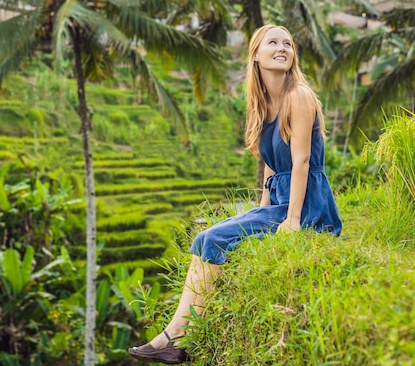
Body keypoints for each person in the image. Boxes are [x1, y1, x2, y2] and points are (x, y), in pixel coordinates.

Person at [128, 24, 342, 364]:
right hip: (280, 200)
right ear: (256, 55)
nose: (282, 47)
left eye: (287, 43)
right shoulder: (264, 105)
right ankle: (179, 335)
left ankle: (176, 335)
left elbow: (300, 161)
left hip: (310, 205)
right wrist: (259, 211)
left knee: (210, 238)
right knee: (203, 240)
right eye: (273, 42)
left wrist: (292, 219)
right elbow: (272, 167)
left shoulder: (298, 96)